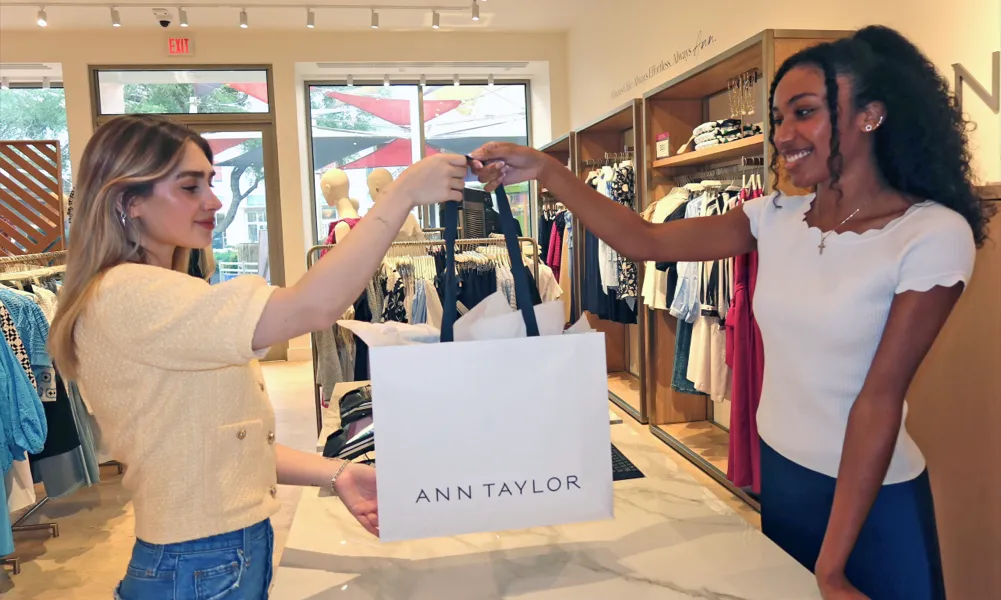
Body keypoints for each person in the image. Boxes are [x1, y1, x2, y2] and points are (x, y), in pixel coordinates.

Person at [471, 26, 993, 600]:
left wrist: (832, 564)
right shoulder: (772, 217)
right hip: (783, 475)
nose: (783, 135)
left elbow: (879, 399)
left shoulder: (929, 234)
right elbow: (646, 241)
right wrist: (548, 172)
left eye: (805, 112)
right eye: (778, 117)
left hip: (869, 500)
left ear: (870, 115)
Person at [48, 114, 468, 599]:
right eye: (190, 187)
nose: (214, 201)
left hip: (211, 556)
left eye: (210, 182)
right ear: (129, 201)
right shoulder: (133, 294)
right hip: (199, 562)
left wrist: (338, 473)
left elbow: (228, 445)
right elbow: (313, 306)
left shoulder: (151, 294)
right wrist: (401, 195)